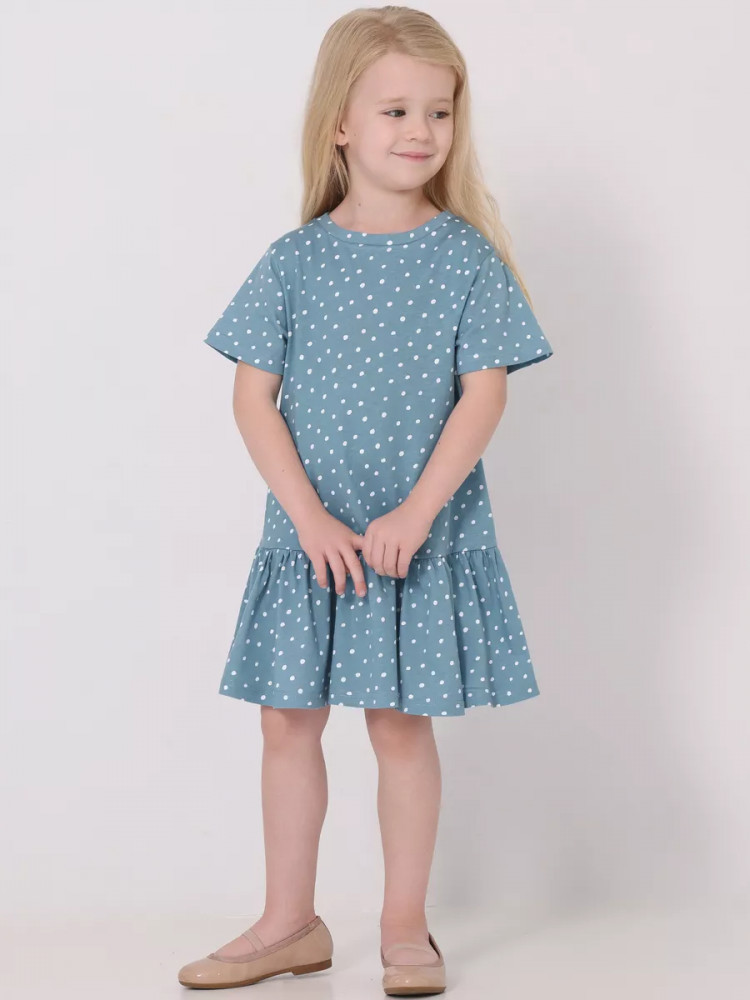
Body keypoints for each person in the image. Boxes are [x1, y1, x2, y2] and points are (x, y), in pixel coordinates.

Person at [178, 5, 554, 995]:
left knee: (398, 724)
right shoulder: (294, 259)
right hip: (314, 536)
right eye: (395, 110)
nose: (421, 131)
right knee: (287, 723)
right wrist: (307, 517)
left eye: (439, 111)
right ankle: (288, 922)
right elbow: (252, 398)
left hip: (413, 537)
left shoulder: (464, 256)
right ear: (340, 122)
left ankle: (404, 928)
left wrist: (418, 513)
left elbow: (485, 393)